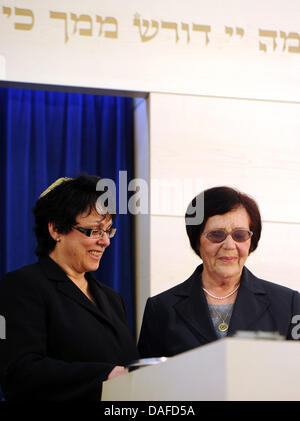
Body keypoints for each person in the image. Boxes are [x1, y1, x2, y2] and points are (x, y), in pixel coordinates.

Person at [0, 175, 139, 401]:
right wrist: (105, 376)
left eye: (108, 231)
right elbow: (19, 373)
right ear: (56, 230)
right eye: (94, 231)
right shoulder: (22, 286)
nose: (105, 242)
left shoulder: (112, 298)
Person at [138, 186, 300, 358]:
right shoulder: (161, 309)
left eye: (240, 235)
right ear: (197, 240)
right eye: (216, 235)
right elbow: (146, 380)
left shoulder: (289, 305)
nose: (229, 245)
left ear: (251, 241)